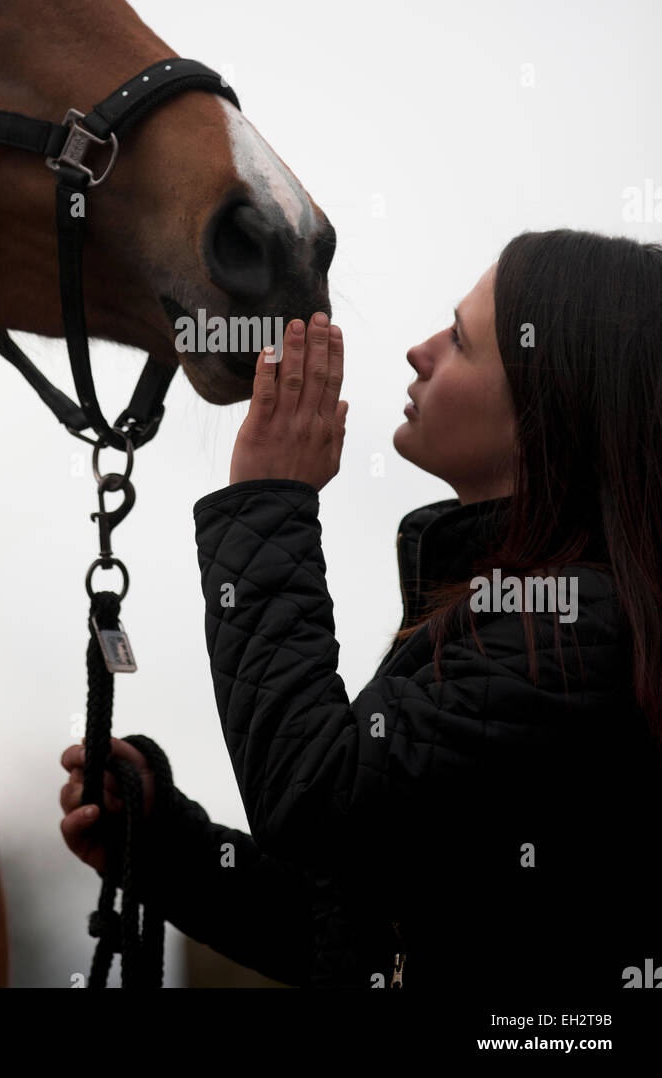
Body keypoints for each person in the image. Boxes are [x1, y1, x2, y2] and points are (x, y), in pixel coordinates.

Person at [59, 228, 662, 996]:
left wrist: (267, 501)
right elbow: (359, 934)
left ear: (551, 410)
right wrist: (168, 848)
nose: (421, 350)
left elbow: (316, 797)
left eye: (462, 342)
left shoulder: (578, 635)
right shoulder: (520, 623)